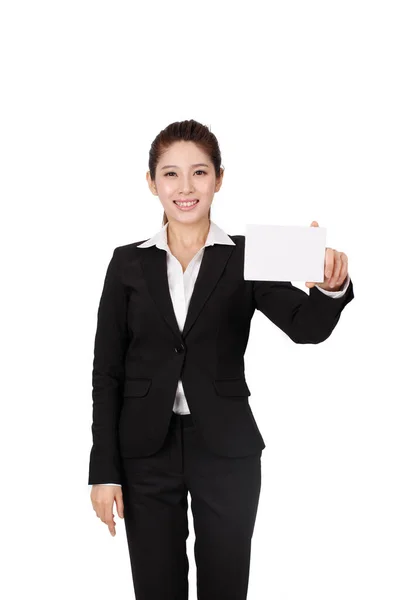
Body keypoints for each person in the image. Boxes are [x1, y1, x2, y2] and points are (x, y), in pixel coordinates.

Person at [88, 119, 355, 599]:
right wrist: (104, 470)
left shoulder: (252, 254)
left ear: (219, 178)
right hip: (145, 452)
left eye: (199, 173)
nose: (185, 188)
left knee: (226, 588)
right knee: (156, 589)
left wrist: (332, 285)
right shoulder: (126, 262)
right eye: (170, 174)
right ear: (151, 182)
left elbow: (306, 328)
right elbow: (106, 372)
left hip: (227, 450)